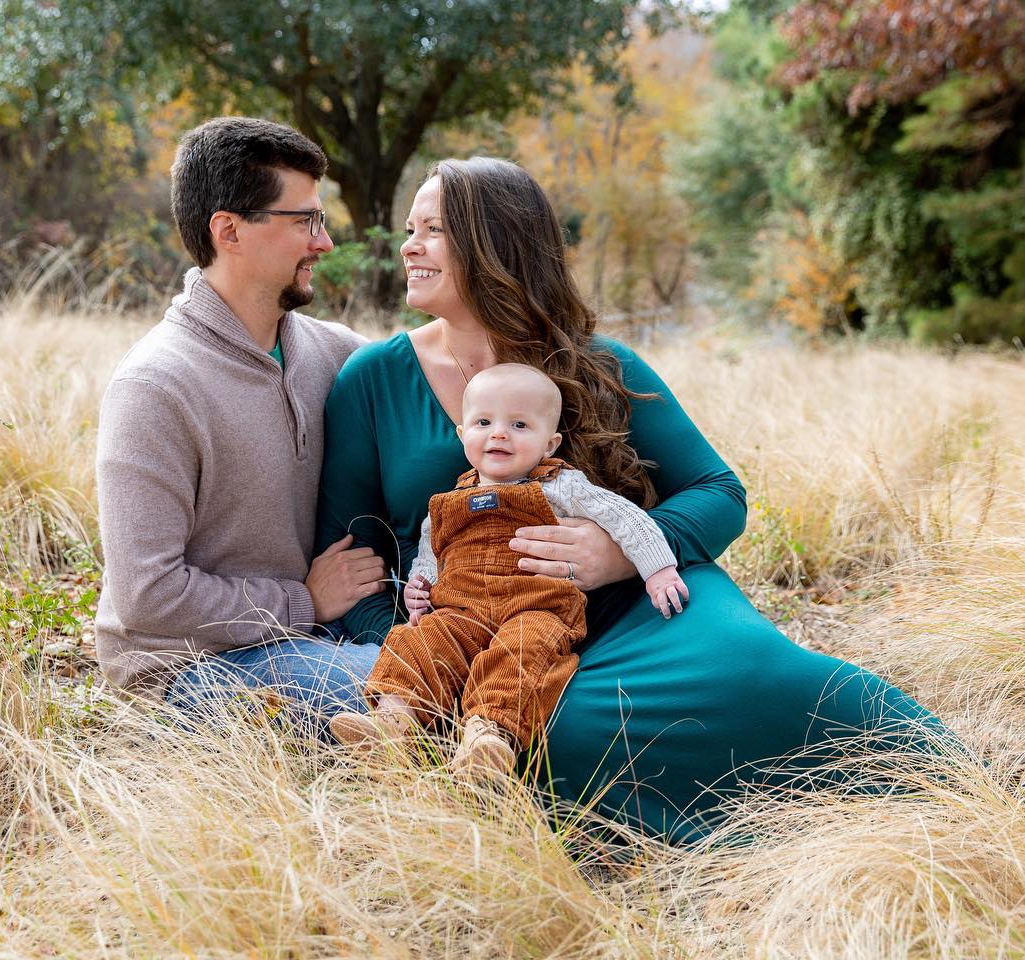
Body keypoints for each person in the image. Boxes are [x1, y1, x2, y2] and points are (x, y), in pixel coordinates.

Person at [315, 156, 956, 843]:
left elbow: (719, 492)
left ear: (497, 243)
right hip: (478, 634)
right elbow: (349, 561)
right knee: (572, 733)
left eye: (433, 230)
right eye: (409, 228)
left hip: (643, 603)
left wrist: (621, 551)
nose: (408, 245)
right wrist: (416, 665)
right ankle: (749, 840)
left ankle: (948, 788)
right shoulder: (373, 379)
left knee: (757, 670)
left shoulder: (597, 363)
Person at [94, 117, 387, 727]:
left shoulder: (337, 354)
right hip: (189, 669)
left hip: (321, 634)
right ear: (229, 230)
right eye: (304, 220)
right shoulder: (155, 387)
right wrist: (302, 601)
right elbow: (147, 596)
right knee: (408, 689)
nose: (324, 243)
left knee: (481, 665)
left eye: (321, 219)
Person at [330, 363, 689, 777]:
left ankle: (489, 737)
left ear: (549, 443)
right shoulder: (447, 502)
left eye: (519, 424)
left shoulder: (562, 487)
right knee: (420, 641)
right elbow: (432, 554)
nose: (499, 433)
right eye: (484, 422)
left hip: (536, 605)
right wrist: (419, 585)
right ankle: (392, 721)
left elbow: (627, 519)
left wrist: (658, 570)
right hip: (460, 610)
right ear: (464, 435)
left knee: (524, 652)